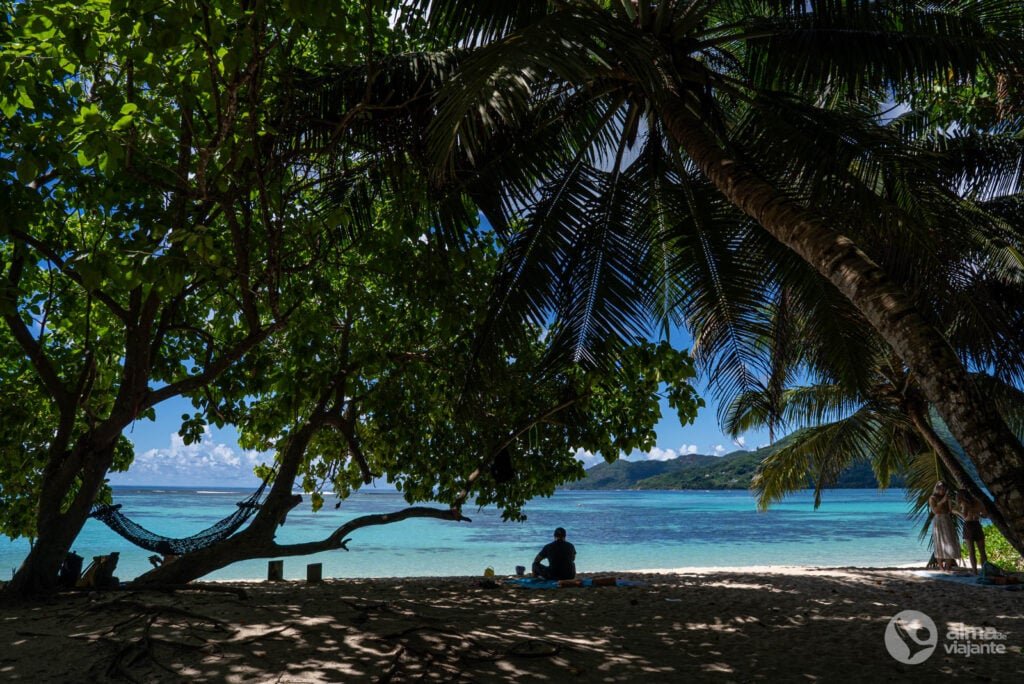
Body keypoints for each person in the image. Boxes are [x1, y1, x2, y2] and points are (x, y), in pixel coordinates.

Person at [929, 482, 961, 572]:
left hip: (947, 519)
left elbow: (950, 510)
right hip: (938, 520)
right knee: (939, 542)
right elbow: (934, 510)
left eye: (944, 489)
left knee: (950, 542)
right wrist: (942, 501)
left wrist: (951, 502)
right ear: (937, 488)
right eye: (941, 488)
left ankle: (947, 567)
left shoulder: (947, 498)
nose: (942, 490)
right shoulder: (932, 498)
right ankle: (941, 567)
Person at [956, 489, 988, 574]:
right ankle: (985, 571)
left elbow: (964, 516)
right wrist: (977, 514)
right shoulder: (978, 502)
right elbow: (985, 515)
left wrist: (955, 511)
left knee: (971, 551)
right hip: (977, 525)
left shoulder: (964, 503)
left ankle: (975, 571)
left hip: (968, 526)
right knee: (982, 551)